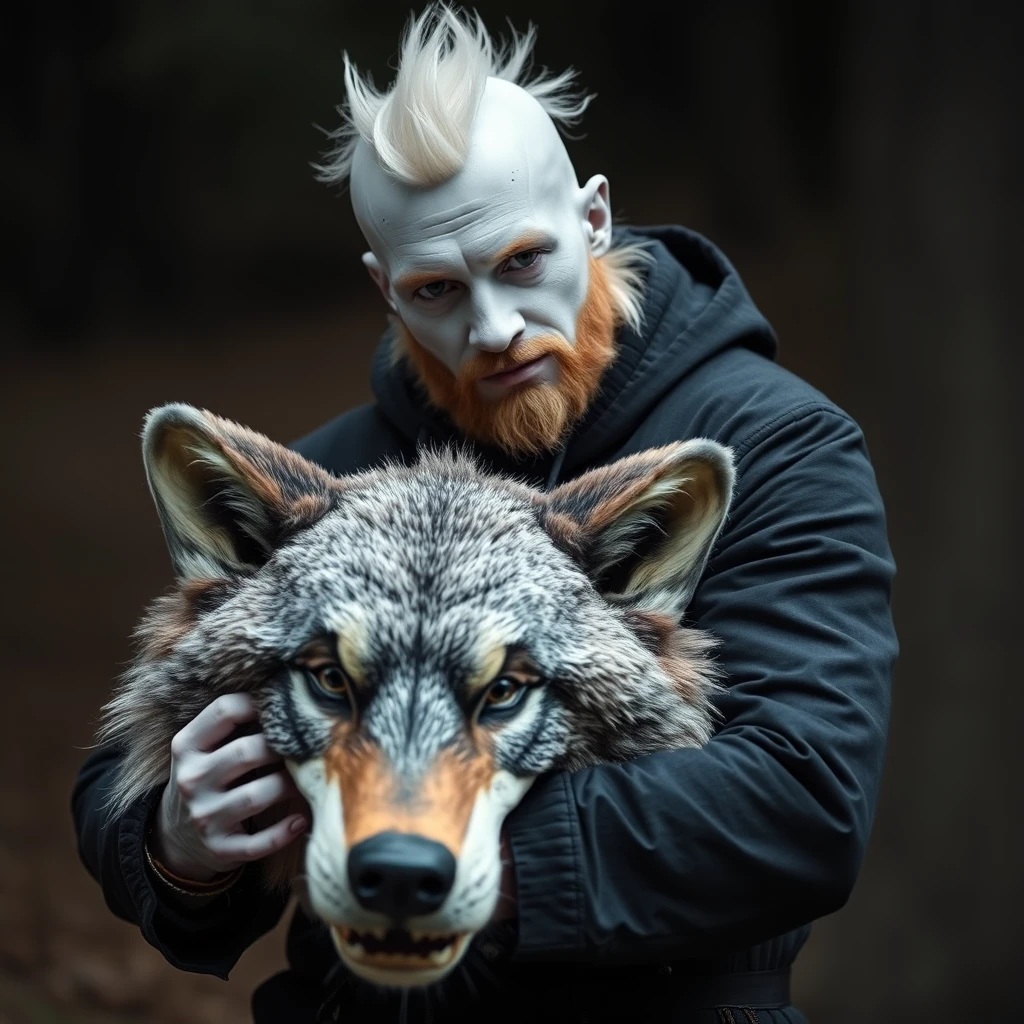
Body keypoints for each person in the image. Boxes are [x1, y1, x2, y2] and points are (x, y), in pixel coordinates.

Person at [71, 6, 897, 1023]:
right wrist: (176, 843)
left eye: (520, 261)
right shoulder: (332, 470)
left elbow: (803, 803)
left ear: (592, 219)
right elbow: (137, 758)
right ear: (386, 289)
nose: (495, 327)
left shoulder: (778, 445)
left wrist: (429, 854)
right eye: (437, 288)